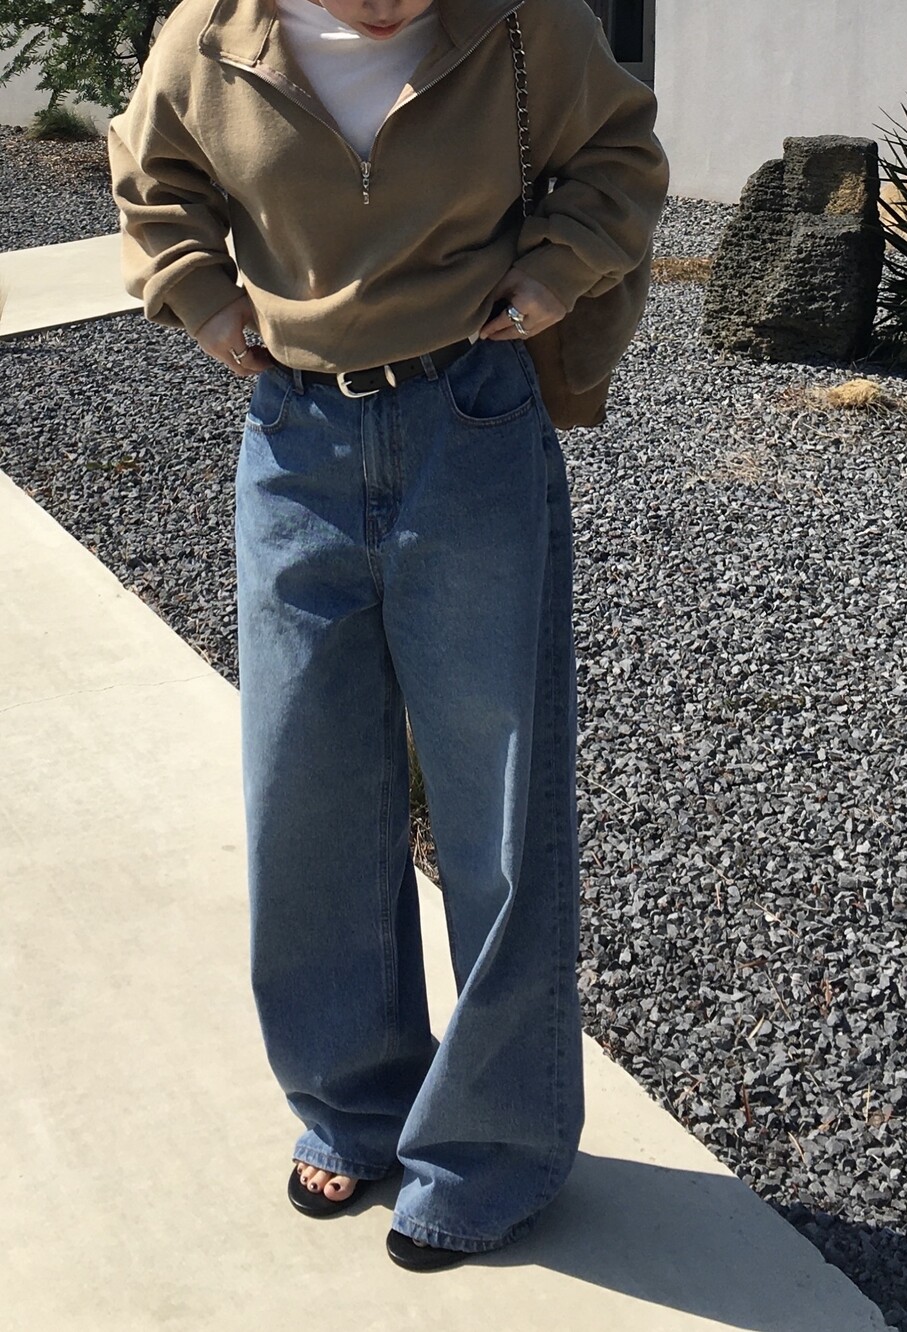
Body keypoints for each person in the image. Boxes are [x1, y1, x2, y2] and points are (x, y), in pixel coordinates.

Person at [108, 0, 668, 1271]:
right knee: (302, 790)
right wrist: (202, 301)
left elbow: (619, 153)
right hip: (293, 442)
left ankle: (489, 1150)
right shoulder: (212, 33)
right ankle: (351, 1108)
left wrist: (554, 273)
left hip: (469, 419)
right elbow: (152, 181)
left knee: (496, 800)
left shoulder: (522, 21)